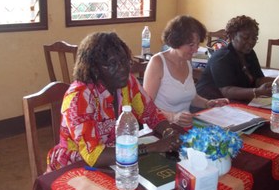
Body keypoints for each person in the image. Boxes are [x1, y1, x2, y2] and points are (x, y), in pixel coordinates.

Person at [47, 32, 181, 171]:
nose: (123, 69)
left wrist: (168, 132)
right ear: (95, 69)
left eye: (125, 61)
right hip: (75, 165)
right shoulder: (79, 97)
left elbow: (151, 114)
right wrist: (154, 147)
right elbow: (95, 156)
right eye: (112, 64)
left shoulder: (128, 83)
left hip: (114, 155)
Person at [143, 15, 229, 128]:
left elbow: (189, 96)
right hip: (161, 127)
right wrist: (173, 117)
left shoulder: (187, 61)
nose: (196, 49)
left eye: (197, 44)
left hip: (184, 127)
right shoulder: (158, 63)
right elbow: (146, 108)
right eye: (191, 45)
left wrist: (207, 103)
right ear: (176, 42)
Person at [196, 15, 279, 101]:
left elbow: (258, 80)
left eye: (254, 38)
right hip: (210, 103)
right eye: (245, 37)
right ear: (232, 36)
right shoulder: (222, 57)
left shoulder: (249, 53)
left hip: (235, 102)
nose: (251, 42)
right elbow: (226, 90)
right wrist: (257, 92)